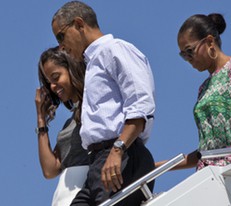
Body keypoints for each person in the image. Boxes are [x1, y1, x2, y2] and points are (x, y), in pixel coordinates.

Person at [51, 1, 156, 205]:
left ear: (79, 24)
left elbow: (140, 105)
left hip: (121, 155)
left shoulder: (114, 49)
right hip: (98, 162)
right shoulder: (92, 63)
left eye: (61, 36)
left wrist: (118, 150)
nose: (61, 46)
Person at [156, 13, 231, 170]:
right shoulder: (204, 88)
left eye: (190, 51)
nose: (188, 59)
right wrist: (157, 167)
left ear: (209, 41)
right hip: (209, 174)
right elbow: (206, 153)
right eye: (183, 55)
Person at [35, 46, 89, 206]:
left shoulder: (93, 108)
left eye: (56, 77)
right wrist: (41, 120)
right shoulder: (69, 124)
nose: (52, 86)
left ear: (71, 69)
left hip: (87, 194)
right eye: (48, 82)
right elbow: (50, 170)